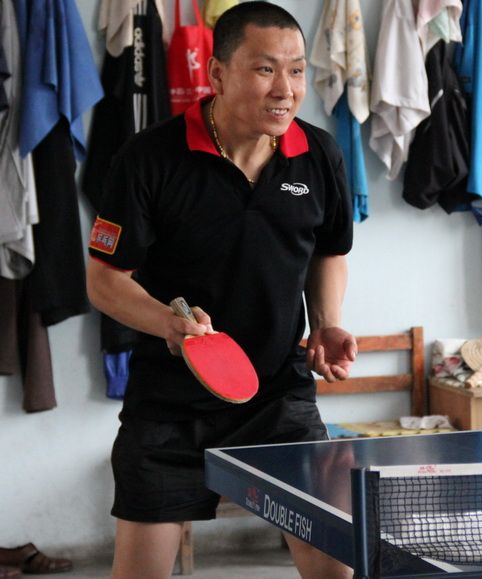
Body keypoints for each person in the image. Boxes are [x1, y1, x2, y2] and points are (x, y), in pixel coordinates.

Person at [86, 3, 356, 578]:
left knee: (337, 569)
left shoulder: (319, 155)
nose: (285, 89)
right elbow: (105, 281)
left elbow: (329, 251)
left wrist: (327, 321)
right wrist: (168, 323)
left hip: (279, 396)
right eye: (264, 69)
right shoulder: (148, 159)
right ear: (217, 74)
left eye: (297, 70)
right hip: (168, 405)